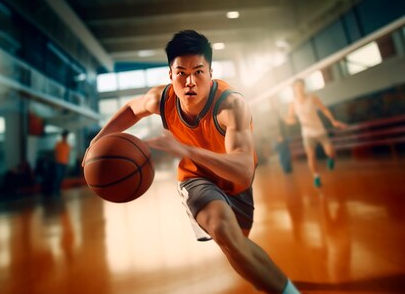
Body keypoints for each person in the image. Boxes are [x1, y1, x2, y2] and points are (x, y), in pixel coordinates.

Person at [83, 30, 300, 294]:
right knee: (223, 231)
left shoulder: (231, 106)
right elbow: (131, 109)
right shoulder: (161, 99)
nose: (190, 81)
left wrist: (185, 148)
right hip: (195, 177)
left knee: (238, 246)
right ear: (170, 75)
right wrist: (98, 140)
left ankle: (278, 285)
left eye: (198, 72)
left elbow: (242, 170)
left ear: (210, 73)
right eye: (181, 73)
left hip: (236, 179)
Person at [286, 79, 346, 188]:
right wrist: (291, 120)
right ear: (294, 89)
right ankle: (316, 177)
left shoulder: (312, 97)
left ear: (303, 87)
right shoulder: (292, 104)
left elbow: (324, 109)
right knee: (311, 155)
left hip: (319, 130)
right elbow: (290, 118)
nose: (299, 88)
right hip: (307, 133)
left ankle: (331, 159)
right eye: (296, 87)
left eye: (300, 86)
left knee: (331, 152)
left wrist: (333, 120)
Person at [53, 130, 71, 195]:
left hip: (65, 163)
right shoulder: (58, 144)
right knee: (58, 176)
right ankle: (55, 190)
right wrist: (56, 161)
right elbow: (55, 153)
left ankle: (57, 189)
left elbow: (68, 155)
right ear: (62, 136)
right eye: (64, 136)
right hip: (59, 163)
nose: (65, 137)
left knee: (62, 177)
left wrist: (68, 163)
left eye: (66, 136)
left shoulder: (68, 145)